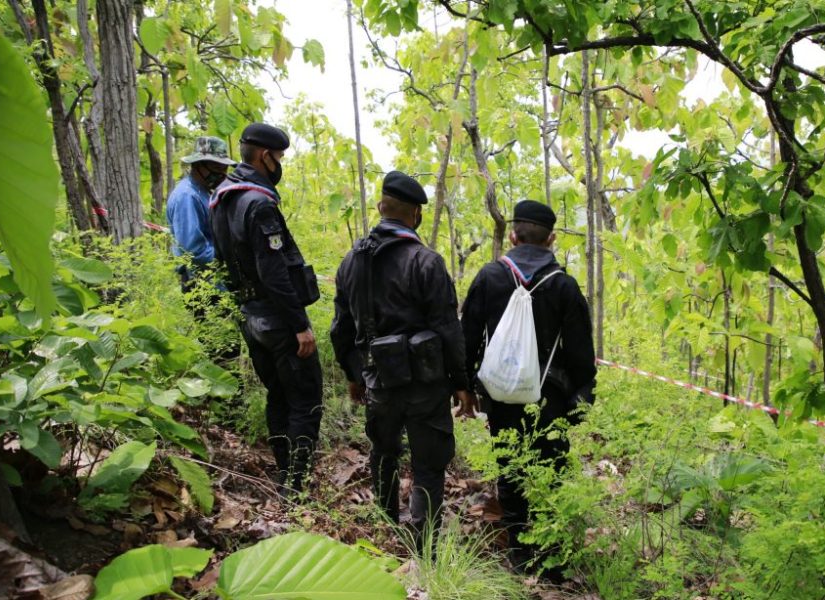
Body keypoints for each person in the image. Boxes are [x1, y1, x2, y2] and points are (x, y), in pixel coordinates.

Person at [330, 171, 469, 542]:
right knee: (427, 465)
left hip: (379, 382)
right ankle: (424, 550)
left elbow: (340, 329)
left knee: (383, 452)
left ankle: (386, 532)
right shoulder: (426, 262)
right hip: (425, 385)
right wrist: (462, 383)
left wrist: (355, 375)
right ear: (416, 215)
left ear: (380, 209)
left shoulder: (350, 263)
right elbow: (447, 328)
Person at [460, 199, 596, 569]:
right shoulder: (565, 287)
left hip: (501, 394)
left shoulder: (489, 277)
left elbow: (468, 337)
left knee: (509, 465)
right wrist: (581, 399)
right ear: (551, 239)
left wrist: (463, 387)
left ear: (514, 235)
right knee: (549, 469)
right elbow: (583, 353)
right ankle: (551, 557)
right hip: (549, 398)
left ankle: (519, 550)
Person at [209, 123, 322, 495]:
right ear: (265, 156)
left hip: (250, 314)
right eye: (280, 157)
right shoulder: (257, 203)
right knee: (305, 397)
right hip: (275, 318)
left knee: (278, 393)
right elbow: (273, 273)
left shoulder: (222, 197)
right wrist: (300, 324)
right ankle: (296, 484)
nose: (281, 164)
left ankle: (285, 474)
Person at [166, 136, 235, 296]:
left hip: (214, 281)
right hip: (201, 284)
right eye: (216, 168)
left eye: (224, 168)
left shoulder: (203, 192)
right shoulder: (187, 196)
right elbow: (194, 251)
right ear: (197, 165)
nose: (222, 174)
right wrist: (231, 261)